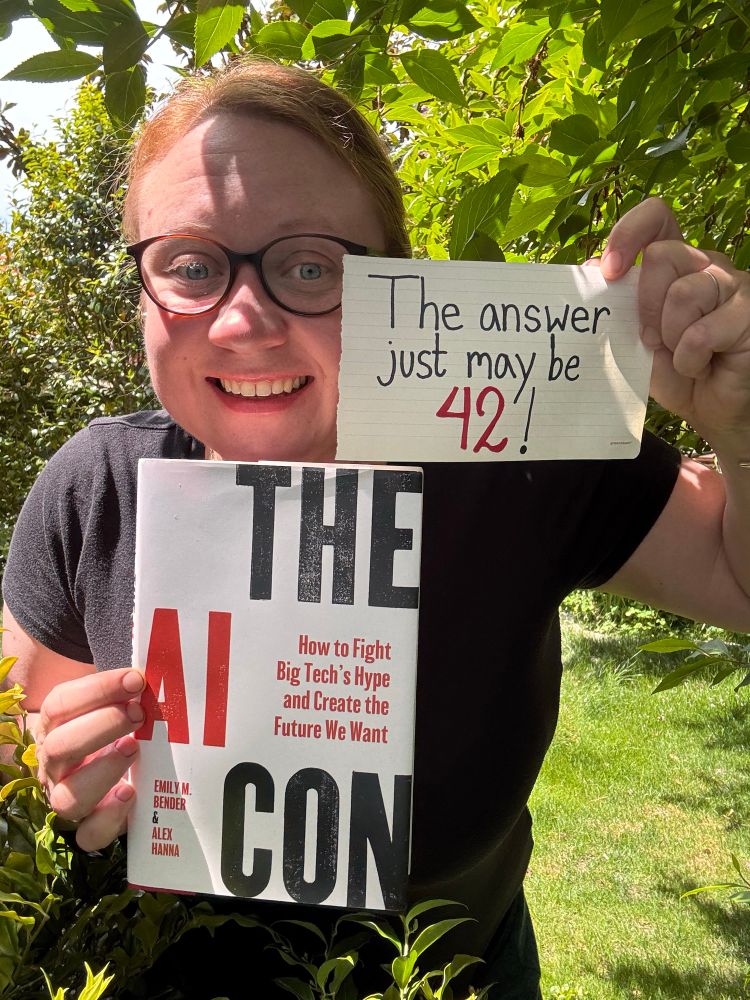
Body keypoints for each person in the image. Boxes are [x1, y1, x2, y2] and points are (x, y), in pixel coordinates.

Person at [2, 58, 749, 999]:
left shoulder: (516, 450)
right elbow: (19, 751)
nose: (242, 320)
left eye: (310, 265)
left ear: (398, 284)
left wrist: (742, 429)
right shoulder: (97, 487)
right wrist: (48, 777)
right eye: (189, 266)